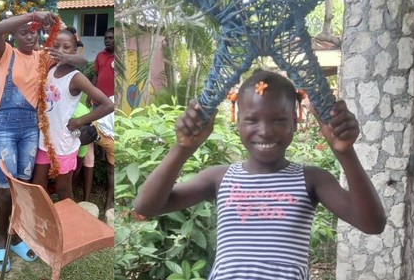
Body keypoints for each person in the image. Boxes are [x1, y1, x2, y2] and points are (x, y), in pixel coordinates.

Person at [134, 70, 386, 278]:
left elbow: (372, 224)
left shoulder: (311, 180)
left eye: (278, 120)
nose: (265, 131)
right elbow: (147, 205)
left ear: (295, 122)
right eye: (252, 120)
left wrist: (345, 152)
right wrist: (182, 148)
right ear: (237, 121)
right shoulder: (220, 178)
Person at [0, 12, 86, 272]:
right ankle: (0, 241)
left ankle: (18, 237)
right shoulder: (6, 53)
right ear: (15, 36)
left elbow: (82, 61)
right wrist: (31, 15)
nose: (30, 36)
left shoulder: (45, 57)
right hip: (4, 129)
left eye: (33, 32)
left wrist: (64, 52)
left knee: (24, 187)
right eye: (24, 32)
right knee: (6, 189)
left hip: (31, 130)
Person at [32, 29, 114, 201]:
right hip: (45, 141)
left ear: (74, 51)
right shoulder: (50, 70)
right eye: (56, 46)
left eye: (66, 47)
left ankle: (68, 223)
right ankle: (46, 221)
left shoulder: (76, 77)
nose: (60, 50)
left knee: (63, 189)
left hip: (64, 143)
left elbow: (108, 105)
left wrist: (79, 121)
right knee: (39, 185)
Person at [79, 27, 115, 202]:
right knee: (94, 134)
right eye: (106, 38)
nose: (108, 41)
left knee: (108, 136)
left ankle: (105, 167)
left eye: (111, 38)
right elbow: (97, 75)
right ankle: (96, 163)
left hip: (112, 106)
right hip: (98, 103)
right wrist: (91, 94)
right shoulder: (100, 56)